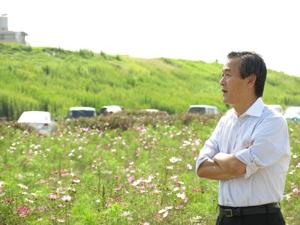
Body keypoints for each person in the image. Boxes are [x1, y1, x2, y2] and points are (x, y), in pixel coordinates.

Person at [195, 51, 290, 225]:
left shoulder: (272, 121)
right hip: (224, 218)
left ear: (250, 80)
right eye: (222, 75)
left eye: (228, 75)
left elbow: (237, 167)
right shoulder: (225, 121)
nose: (221, 81)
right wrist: (232, 164)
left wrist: (218, 156)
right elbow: (201, 168)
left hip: (261, 219)